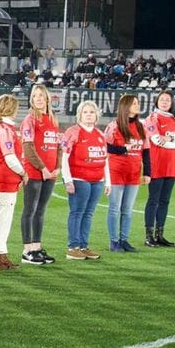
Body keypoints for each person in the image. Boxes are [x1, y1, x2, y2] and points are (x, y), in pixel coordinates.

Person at [61, 100, 110, 260]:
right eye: (85, 112)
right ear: (80, 115)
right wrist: (67, 180)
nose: (89, 115)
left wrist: (107, 181)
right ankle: (73, 247)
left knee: (88, 214)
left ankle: (83, 245)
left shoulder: (100, 134)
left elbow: (105, 159)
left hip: (97, 180)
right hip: (79, 178)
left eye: (92, 112)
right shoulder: (73, 132)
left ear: (97, 115)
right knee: (77, 212)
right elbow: (65, 157)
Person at [19, 84, 61, 265]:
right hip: (35, 172)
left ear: (47, 99)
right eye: (35, 95)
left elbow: (58, 146)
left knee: (41, 211)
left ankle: (37, 247)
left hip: (50, 173)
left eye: (41, 96)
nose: (38, 98)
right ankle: (27, 250)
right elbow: (28, 147)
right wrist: (42, 167)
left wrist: (57, 167)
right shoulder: (29, 120)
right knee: (30, 210)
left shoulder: (53, 119)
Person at [104, 95, 150, 253]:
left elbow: (146, 151)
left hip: (134, 173)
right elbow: (107, 148)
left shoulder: (141, 127)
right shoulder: (114, 126)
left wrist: (147, 172)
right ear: (126, 106)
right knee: (115, 209)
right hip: (116, 171)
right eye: (134, 103)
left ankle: (124, 240)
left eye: (138, 103)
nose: (137, 106)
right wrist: (124, 149)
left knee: (128, 210)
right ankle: (114, 241)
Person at [0, 95, 25, 270]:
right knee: (0, 218)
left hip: (6, 179)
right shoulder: (4, 130)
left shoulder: (3, 128)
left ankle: (0, 253)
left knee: (4, 218)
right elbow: (10, 158)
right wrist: (23, 173)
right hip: (4, 179)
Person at [144, 91, 175, 247]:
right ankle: (149, 236)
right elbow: (156, 140)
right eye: (162, 99)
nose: (164, 102)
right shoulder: (152, 118)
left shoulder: (174, 119)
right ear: (156, 101)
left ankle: (160, 235)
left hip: (172, 165)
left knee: (165, 201)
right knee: (153, 200)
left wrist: (170, 138)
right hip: (157, 164)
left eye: (167, 100)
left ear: (172, 103)